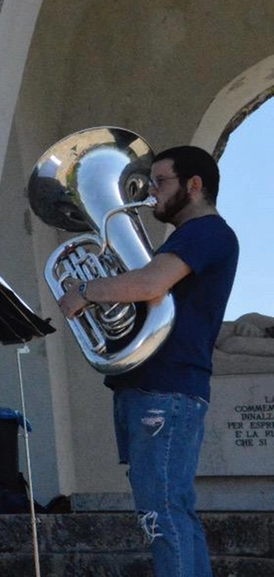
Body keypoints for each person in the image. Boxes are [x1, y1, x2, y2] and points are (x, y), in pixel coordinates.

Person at [57, 145, 237, 577]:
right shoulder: (188, 237)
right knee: (170, 511)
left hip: (166, 388)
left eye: (161, 182)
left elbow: (150, 284)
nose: (150, 191)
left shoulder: (207, 232)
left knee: (162, 515)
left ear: (194, 186)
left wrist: (86, 292)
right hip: (157, 386)